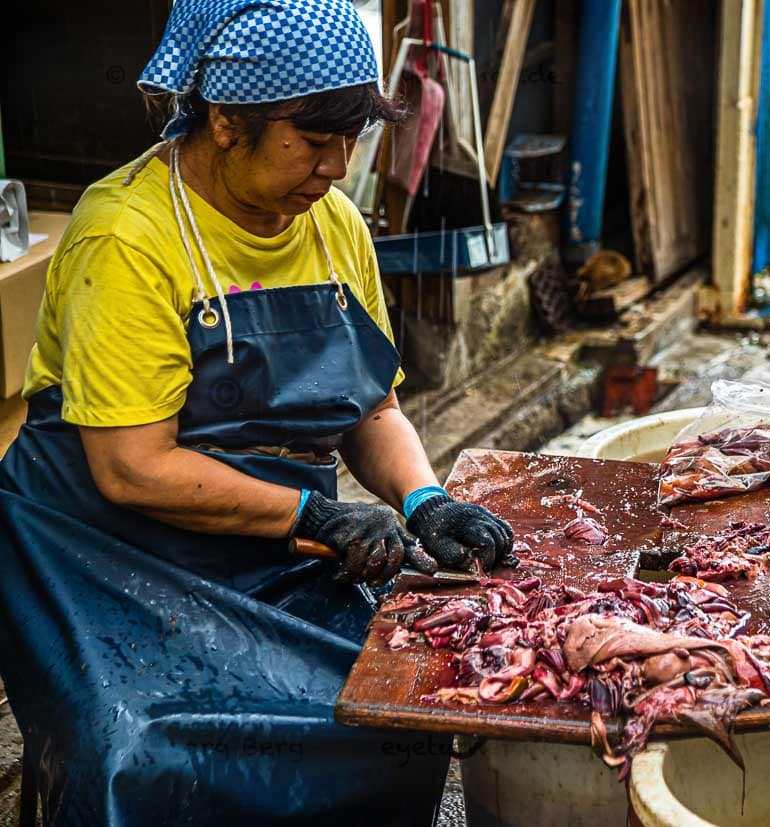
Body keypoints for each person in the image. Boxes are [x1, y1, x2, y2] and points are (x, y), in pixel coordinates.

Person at [0, 1, 512, 823]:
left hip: (277, 546)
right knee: (135, 748)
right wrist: (319, 514)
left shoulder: (333, 225)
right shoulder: (126, 235)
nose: (337, 167)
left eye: (351, 140)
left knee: (398, 703)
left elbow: (369, 409)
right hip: (100, 550)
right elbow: (132, 467)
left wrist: (423, 499)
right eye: (313, 141)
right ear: (228, 120)